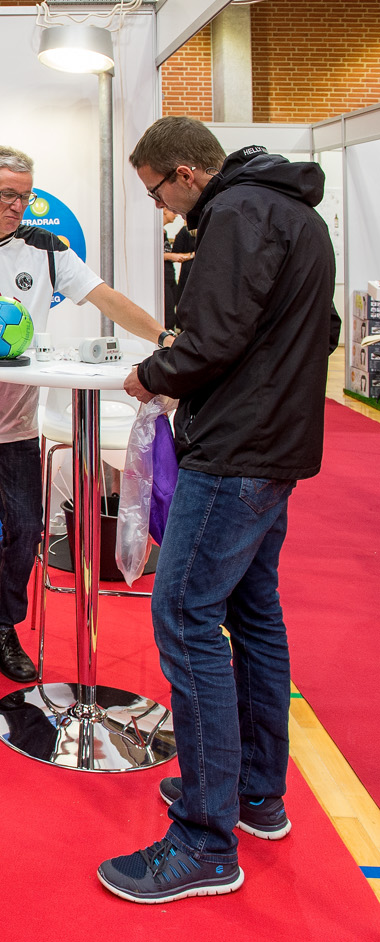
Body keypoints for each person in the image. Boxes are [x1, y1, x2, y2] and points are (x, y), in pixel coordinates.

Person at [98, 118, 339, 903]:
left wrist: (153, 373)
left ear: (185, 172)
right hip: (275, 447)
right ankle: (255, 794)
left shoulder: (236, 213)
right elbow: (321, 330)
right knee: (254, 615)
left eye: (156, 192)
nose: (159, 207)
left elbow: (212, 339)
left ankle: (205, 837)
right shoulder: (296, 211)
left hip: (235, 452)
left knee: (185, 616)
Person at [0, 145, 169, 687]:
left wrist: (164, 337)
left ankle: (2, 624)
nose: (19, 206)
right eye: (8, 195)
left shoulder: (45, 247)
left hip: (15, 417)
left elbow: (106, 298)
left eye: (26, 196)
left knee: (25, 527)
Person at [161, 205, 196, 328]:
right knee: (169, 316)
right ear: (165, 210)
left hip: (171, 276)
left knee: (173, 311)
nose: (176, 215)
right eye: (173, 211)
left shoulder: (164, 232)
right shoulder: (184, 232)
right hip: (167, 278)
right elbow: (165, 254)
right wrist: (173, 256)